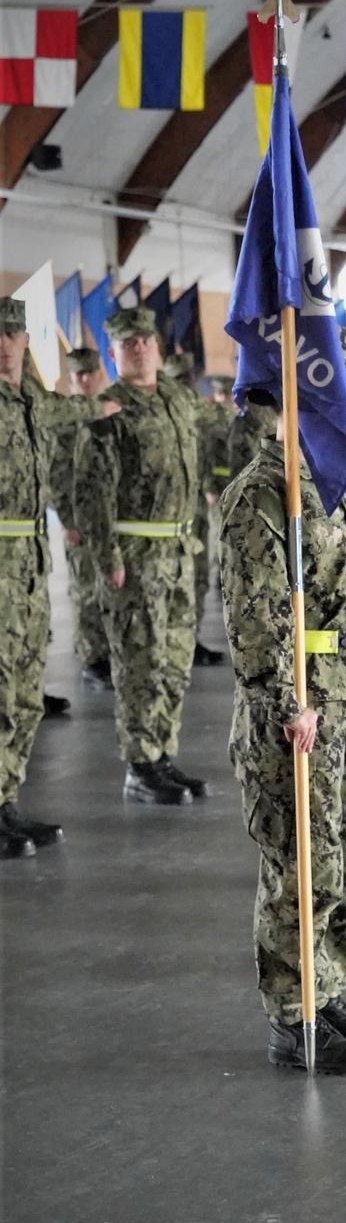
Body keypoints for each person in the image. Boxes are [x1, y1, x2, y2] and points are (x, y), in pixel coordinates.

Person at [218, 387, 346, 1073]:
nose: (344, 412)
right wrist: (287, 699)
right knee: (304, 864)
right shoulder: (263, 495)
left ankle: (325, 994)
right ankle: (291, 1014)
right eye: (328, 399)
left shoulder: (337, 479)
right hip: (304, 707)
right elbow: (254, 615)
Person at [74, 308, 207, 805]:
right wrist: (107, 557)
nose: (138, 348)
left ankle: (162, 753)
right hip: (136, 554)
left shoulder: (176, 398)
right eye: (127, 343)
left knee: (174, 660)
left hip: (178, 552)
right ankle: (139, 764)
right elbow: (91, 491)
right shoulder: (108, 409)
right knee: (137, 662)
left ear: (157, 345)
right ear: (113, 354)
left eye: (145, 339)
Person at [0, 298, 118, 858]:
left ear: (26, 342)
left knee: (24, 691)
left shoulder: (34, 400)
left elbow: (75, 412)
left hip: (27, 558)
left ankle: (5, 801)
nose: (4, 343)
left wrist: (112, 404)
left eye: (13, 334)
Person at [162, 351, 226, 667]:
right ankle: (166, 647)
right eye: (177, 382)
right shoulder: (162, 415)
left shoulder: (201, 413)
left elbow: (219, 437)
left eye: (187, 381)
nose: (184, 388)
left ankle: (191, 639)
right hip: (166, 516)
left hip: (196, 511)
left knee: (198, 580)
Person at [60, 348, 114, 689]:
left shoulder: (108, 415)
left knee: (108, 586)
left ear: (98, 374)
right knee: (85, 591)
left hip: (107, 518)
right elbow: (57, 472)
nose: (84, 379)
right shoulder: (66, 419)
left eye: (89, 373)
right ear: (71, 379)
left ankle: (109, 652)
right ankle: (92, 657)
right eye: (77, 374)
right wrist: (67, 520)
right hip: (79, 519)